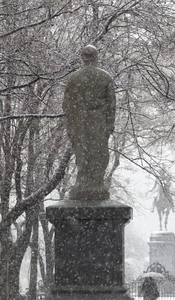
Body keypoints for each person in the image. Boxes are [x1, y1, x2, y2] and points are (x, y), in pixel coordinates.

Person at [63, 45, 116, 200]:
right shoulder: (105, 77)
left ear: (83, 57)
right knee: (99, 153)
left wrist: (73, 122)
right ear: (96, 57)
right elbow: (112, 104)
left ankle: (83, 183)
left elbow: (66, 104)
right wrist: (109, 124)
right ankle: (96, 183)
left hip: (80, 123)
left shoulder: (75, 78)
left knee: (82, 153)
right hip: (99, 123)